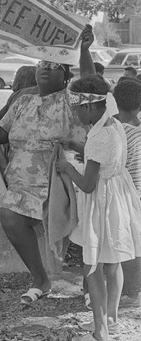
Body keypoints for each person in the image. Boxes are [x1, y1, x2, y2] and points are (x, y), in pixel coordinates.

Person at [0, 25, 95, 304]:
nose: (46, 68)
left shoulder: (71, 101)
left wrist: (83, 50)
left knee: (87, 221)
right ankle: (40, 280)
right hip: (23, 185)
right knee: (10, 216)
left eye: (54, 65)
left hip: (63, 182)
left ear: (65, 75)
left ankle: (89, 285)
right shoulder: (23, 101)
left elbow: (91, 84)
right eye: (42, 64)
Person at [56, 75, 141, 341]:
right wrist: (81, 148)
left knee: (92, 268)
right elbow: (105, 160)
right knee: (113, 264)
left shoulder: (98, 136)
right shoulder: (115, 125)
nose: (76, 114)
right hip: (119, 200)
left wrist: (68, 168)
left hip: (101, 205)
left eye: (77, 108)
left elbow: (89, 184)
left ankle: (100, 330)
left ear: (90, 106)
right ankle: (112, 321)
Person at [113, 77, 141, 307]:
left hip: (125, 195)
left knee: (129, 244)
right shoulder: (138, 131)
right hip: (136, 193)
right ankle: (132, 290)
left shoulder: (115, 131)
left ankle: (130, 292)